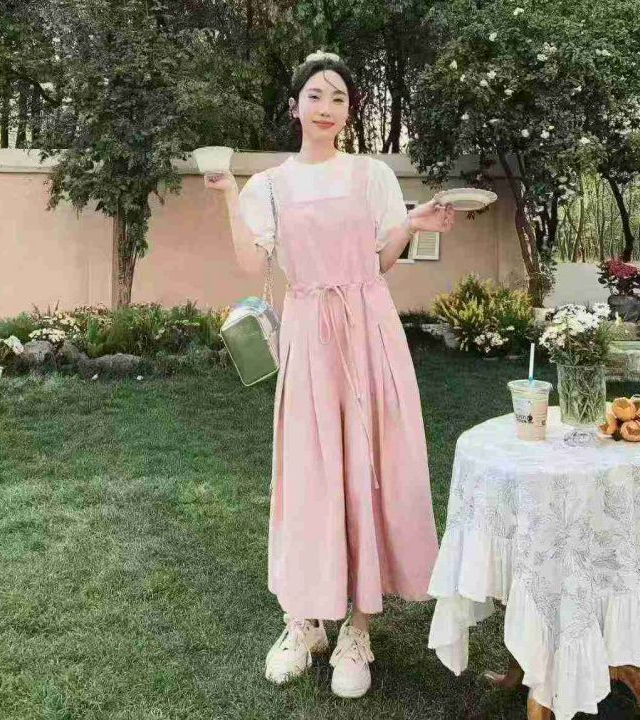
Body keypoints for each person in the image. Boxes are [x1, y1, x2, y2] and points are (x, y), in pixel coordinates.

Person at [205, 49, 455, 699]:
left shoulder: (371, 174)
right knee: (310, 472)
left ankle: (356, 628)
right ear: (294, 106)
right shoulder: (269, 186)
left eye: (338, 98)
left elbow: (382, 258)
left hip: (369, 331)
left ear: (349, 111)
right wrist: (227, 194)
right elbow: (249, 263)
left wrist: (413, 222)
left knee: (369, 467)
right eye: (315, 95)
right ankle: (303, 622)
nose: (326, 107)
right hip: (310, 333)